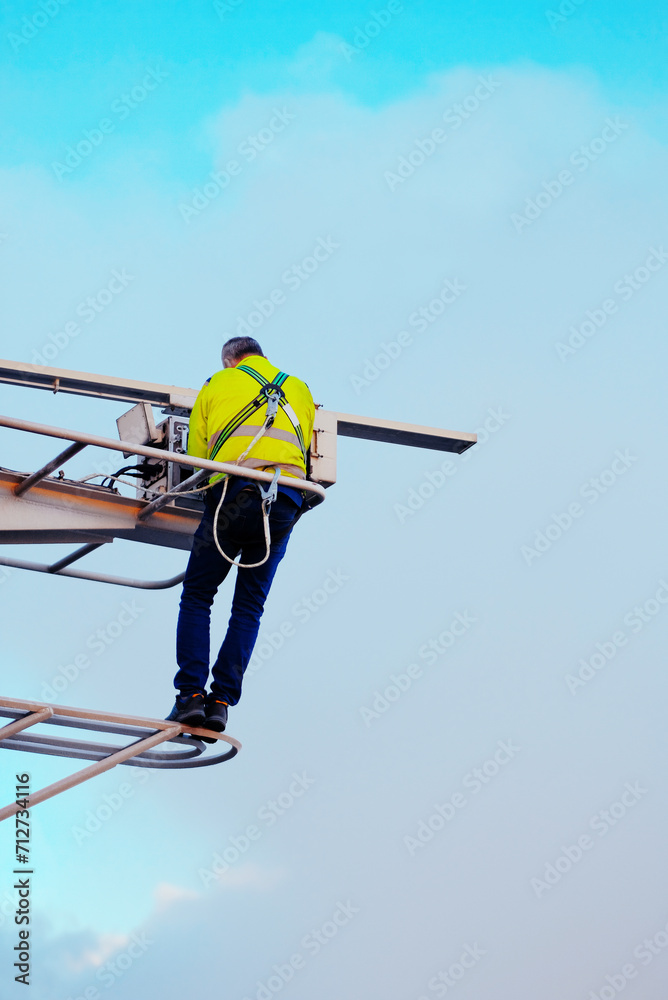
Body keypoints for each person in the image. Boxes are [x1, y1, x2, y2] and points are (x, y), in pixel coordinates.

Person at [166, 336, 315, 733]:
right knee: (249, 607)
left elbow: (195, 453)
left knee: (198, 595)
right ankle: (220, 703)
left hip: (233, 497)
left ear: (230, 361)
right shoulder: (299, 388)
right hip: (284, 503)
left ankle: (190, 697)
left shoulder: (218, 383)